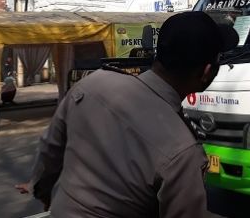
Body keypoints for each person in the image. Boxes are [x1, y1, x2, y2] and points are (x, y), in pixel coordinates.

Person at [15, 11, 238, 217]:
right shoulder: (182, 150)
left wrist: (41, 190)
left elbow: (51, 148)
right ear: (206, 72)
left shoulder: (92, 84)